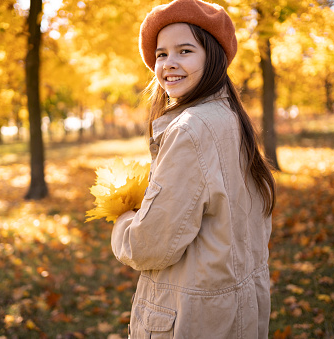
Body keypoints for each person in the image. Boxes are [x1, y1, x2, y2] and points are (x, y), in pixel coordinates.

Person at [111, 0, 276, 337]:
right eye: (161, 54)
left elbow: (150, 246)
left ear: (212, 56)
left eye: (184, 51)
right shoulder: (229, 118)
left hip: (192, 318)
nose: (169, 64)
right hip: (233, 308)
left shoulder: (190, 129)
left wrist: (124, 219)